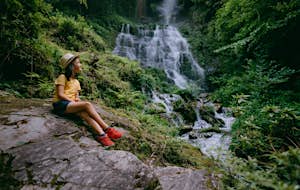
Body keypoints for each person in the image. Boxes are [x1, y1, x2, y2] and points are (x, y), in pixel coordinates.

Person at [52, 53, 122, 146]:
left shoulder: (76, 82)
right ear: (72, 66)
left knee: (85, 114)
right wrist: (74, 102)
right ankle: (107, 128)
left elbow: (77, 97)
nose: (81, 65)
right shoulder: (62, 77)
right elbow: (60, 94)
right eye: (78, 63)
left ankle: (102, 135)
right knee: (87, 104)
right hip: (60, 104)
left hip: (70, 106)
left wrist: (77, 101)